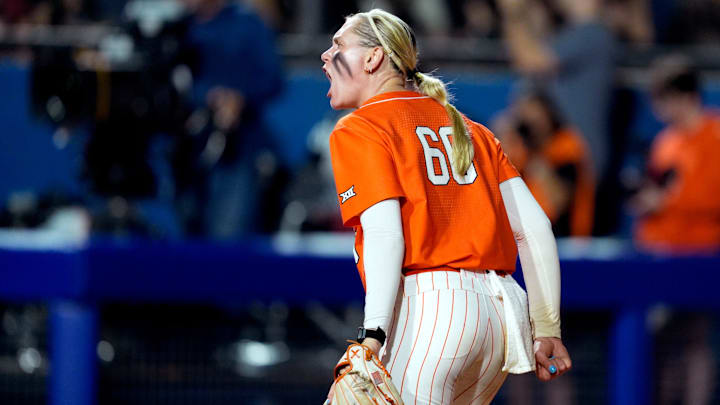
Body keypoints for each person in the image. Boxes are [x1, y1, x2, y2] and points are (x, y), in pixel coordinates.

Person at [321, 8, 571, 404]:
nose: (325, 55)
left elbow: (387, 233)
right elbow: (535, 227)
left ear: (373, 58)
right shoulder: (472, 129)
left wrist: (374, 335)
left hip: (431, 310)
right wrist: (546, 327)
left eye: (339, 45)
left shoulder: (361, 126)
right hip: (501, 317)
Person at [632, 55, 720, 254]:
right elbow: (657, 188)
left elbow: (712, 197)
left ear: (687, 97)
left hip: (703, 254)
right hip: (659, 249)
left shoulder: (716, 135)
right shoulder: (664, 142)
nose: (657, 109)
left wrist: (666, 203)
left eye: (663, 99)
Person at [497, 90, 595, 237]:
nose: (532, 126)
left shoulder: (566, 146)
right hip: (527, 238)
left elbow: (558, 202)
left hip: (566, 240)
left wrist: (536, 161)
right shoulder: (519, 149)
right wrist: (502, 138)